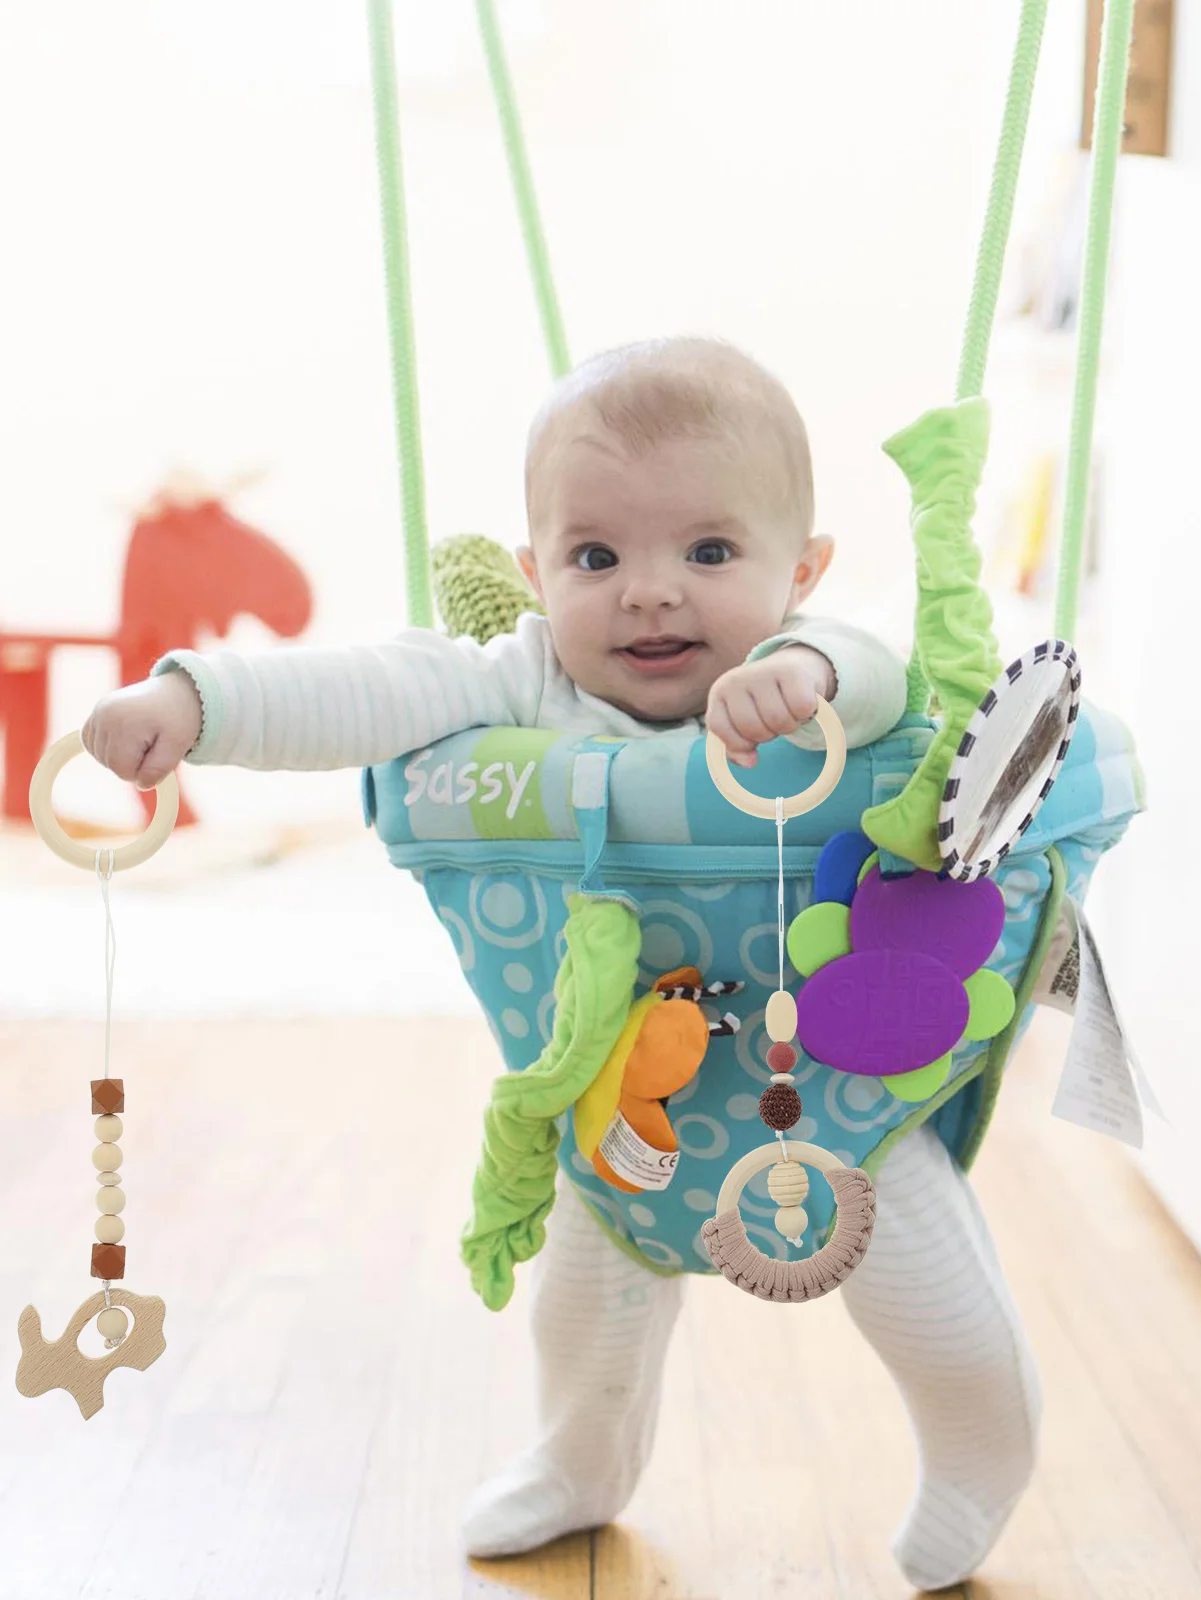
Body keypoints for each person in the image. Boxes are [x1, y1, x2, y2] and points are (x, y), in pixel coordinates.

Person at [82, 337, 1041, 1591]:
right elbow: (364, 688)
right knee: (584, 1313)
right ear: (535, 575)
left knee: (927, 1289)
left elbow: (881, 678)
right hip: (611, 1091)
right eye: (596, 557)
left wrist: (802, 673)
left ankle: (980, 1456)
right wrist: (191, 706)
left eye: (708, 552)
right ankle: (580, 1464)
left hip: (840, 1089)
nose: (648, 592)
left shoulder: (806, 664)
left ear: (798, 571)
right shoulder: (516, 678)